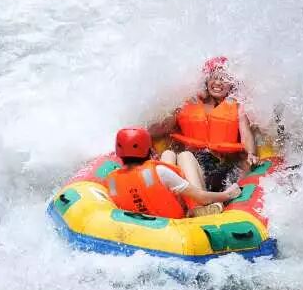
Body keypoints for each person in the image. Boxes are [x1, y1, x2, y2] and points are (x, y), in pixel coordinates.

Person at [148, 57, 261, 190]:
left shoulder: (237, 107)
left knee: (185, 157)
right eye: (214, 78)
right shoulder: (187, 103)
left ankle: (200, 204)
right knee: (171, 155)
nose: (218, 82)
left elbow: (246, 134)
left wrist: (251, 154)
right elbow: (165, 127)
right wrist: (144, 137)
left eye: (223, 79)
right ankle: (169, 198)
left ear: (232, 84)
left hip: (220, 168)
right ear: (206, 80)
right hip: (191, 166)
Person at [106, 127, 241, 219]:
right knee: (185, 156)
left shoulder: (112, 180)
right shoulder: (159, 172)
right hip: (178, 217)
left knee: (168, 153)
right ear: (148, 150)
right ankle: (198, 210)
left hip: (147, 218)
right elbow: (202, 197)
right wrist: (227, 194)